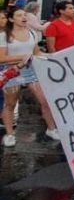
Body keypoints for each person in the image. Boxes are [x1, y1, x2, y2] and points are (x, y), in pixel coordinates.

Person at [1, 8, 59, 147]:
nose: (23, 17)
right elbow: (2, 58)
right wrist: (23, 57)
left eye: (24, 15)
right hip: (12, 72)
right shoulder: (4, 36)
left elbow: (37, 53)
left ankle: (51, 129)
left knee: (45, 101)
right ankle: (10, 134)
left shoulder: (32, 33)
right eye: (19, 15)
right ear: (11, 19)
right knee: (10, 104)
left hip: (31, 71)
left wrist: (54, 57)